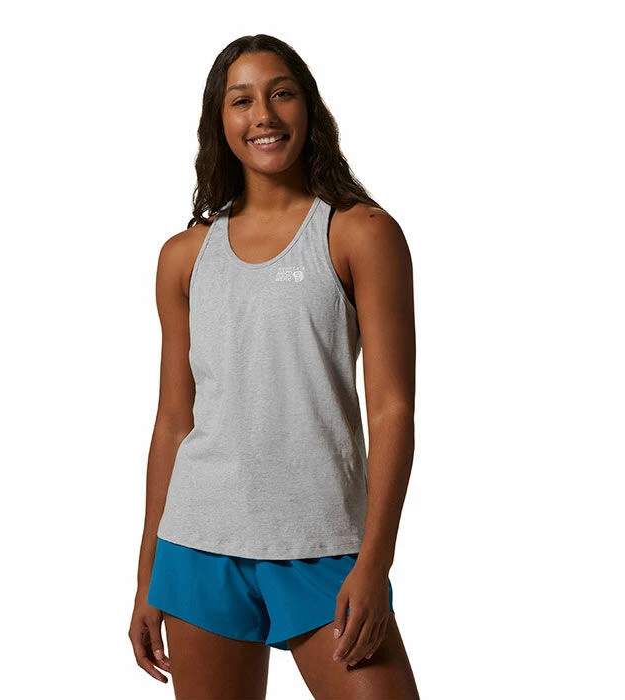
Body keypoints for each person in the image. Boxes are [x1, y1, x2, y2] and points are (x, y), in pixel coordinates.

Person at [128, 34, 420, 699]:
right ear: (219, 120)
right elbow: (173, 421)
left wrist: (375, 563)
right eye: (242, 100)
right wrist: (147, 577)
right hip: (198, 547)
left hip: (324, 544)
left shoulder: (359, 232)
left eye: (281, 93)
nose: (263, 114)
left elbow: (392, 409)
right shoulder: (184, 256)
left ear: (308, 107)